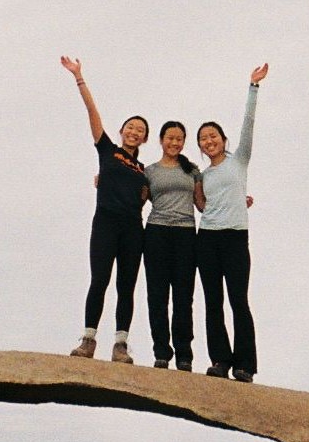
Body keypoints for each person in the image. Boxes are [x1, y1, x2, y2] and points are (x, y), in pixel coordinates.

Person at [60, 56, 148, 363]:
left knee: (126, 286)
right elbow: (92, 112)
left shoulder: (144, 170)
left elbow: (163, 194)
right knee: (99, 280)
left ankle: (120, 345)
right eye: (130, 127)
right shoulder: (107, 149)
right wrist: (79, 77)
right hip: (106, 224)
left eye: (140, 130)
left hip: (133, 229)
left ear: (144, 139)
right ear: (122, 130)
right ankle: (88, 340)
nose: (134, 132)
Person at [196, 63, 269, 382]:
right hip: (207, 239)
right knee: (213, 303)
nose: (208, 141)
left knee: (239, 301)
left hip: (236, 239)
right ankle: (220, 362)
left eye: (212, 136)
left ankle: (244, 365)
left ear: (223, 139)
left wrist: (253, 87)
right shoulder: (202, 174)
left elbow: (249, 125)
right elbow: (200, 205)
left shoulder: (239, 160)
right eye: (203, 139)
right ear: (200, 147)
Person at [143, 122, 204, 371]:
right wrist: (105, 183)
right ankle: (161, 352)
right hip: (156, 233)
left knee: (183, 297)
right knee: (157, 296)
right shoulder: (149, 171)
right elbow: (136, 199)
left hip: (186, 235)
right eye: (170, 138)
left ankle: (184, 354)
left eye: (179, 139)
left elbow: (202, 204)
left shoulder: (192, 171)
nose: (175, 143)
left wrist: (235, 201)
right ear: (161, 140)